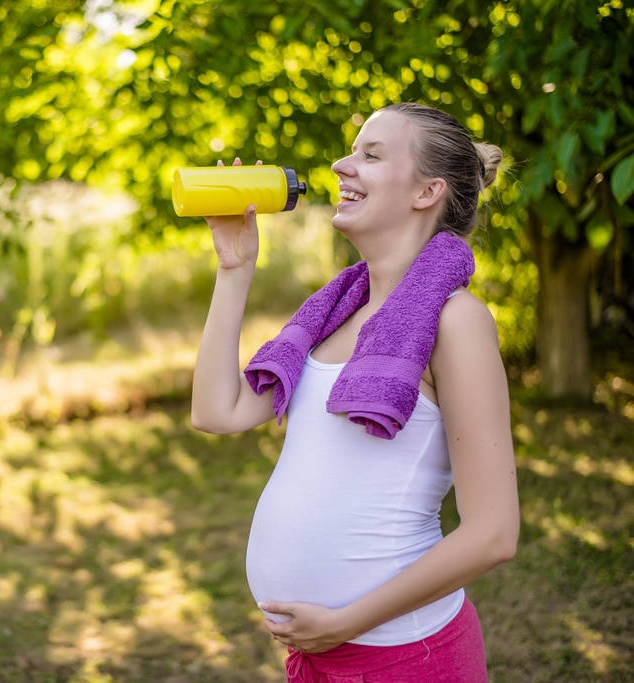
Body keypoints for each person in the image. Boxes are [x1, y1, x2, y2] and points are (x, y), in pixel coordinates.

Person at [190, 102, 520, 682]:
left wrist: (347, 621)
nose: (343, 164)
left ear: (427, 192)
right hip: (322, 656)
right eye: (352, 151)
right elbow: (218, 411)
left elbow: (494, 534)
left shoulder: (455, 321)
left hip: (405, 659)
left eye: (370, 154)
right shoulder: (337, 316)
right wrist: (234, 268)